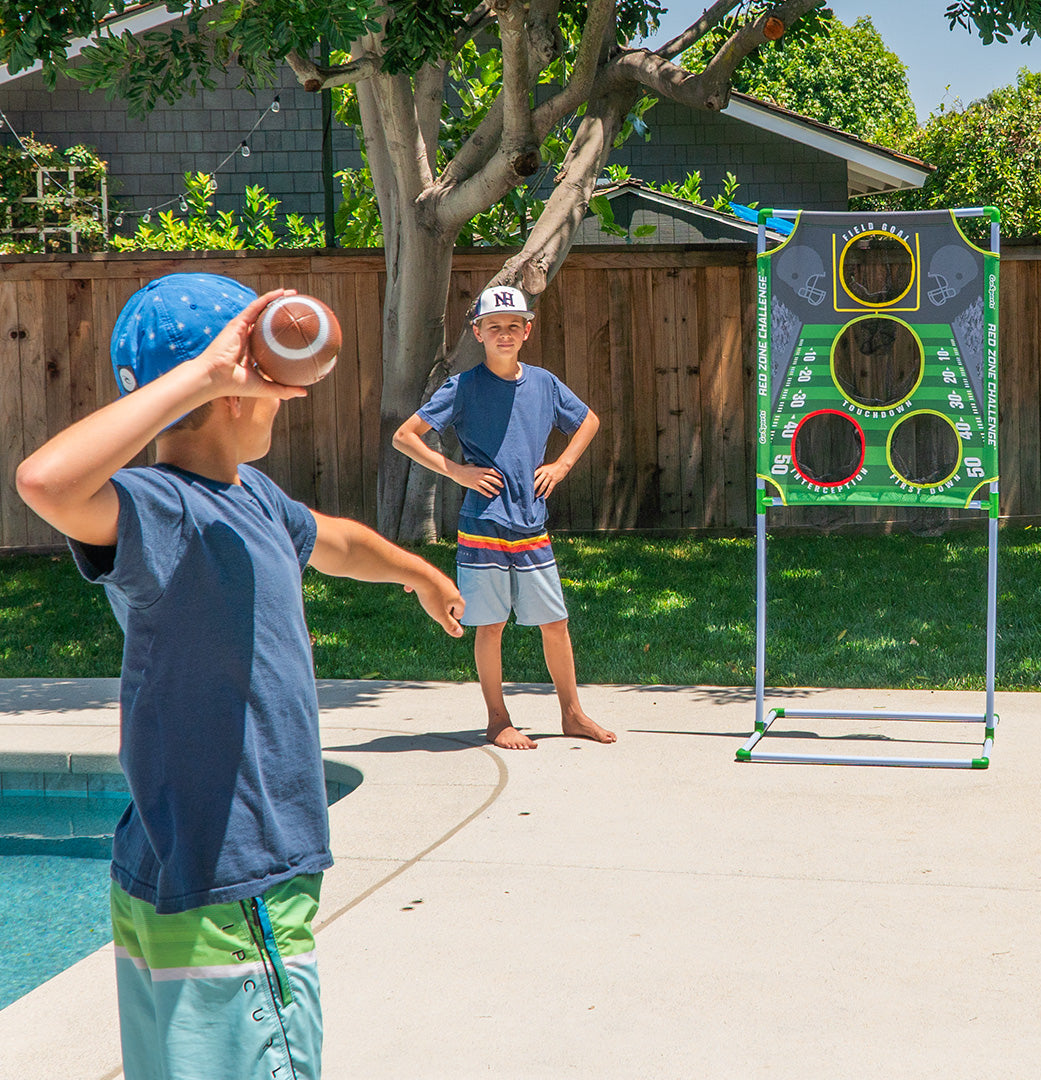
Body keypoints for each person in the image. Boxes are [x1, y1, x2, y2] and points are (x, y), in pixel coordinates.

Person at [15, 272, 464, 1080]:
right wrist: (211, 370)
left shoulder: (250, 496)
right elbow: (45, 483)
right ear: (234, 385)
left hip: (177, 859)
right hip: (235, 867)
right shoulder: (158, 508)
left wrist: (416, 574)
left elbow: (333, 539)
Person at [393, 285, 615, 751]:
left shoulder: (545, 384)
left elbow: (589, 420)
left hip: (531, 522)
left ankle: (573, 714)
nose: (505, 333)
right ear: (478, 332)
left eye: (514, 325)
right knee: (490, 624)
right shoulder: (464, 387)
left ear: (527, 331)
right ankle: (498, 720)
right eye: (494, 326)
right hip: (482, 523)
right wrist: (457, 471)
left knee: (554, 621)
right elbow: (405, 436)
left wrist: (561, 466)